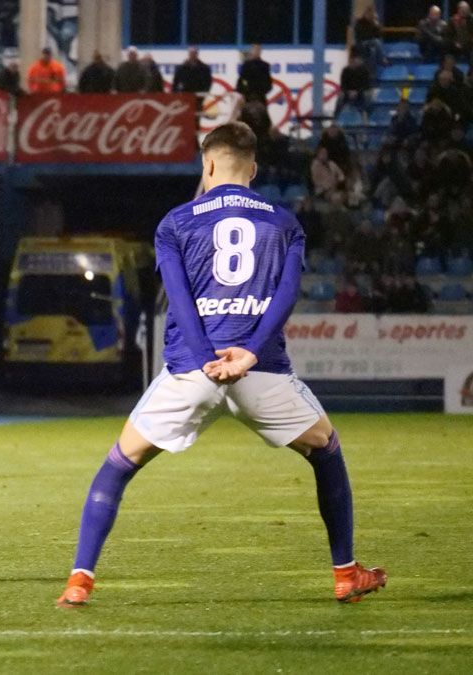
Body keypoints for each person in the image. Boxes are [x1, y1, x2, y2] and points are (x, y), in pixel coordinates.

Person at [55, 122, 386, 608]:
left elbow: (179, 301)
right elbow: (286, 295)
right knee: (326, 450)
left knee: (118, 466)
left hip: (192, 370)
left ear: (207, 165)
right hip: (261, 371)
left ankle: (78, 582)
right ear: (252, 170)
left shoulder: (175, 222)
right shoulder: (285, 222)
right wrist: (249, 352)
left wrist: (208, 359)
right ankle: (344, 573)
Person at [173, 46, 213, 112]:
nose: (193, 55)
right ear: (188, 54)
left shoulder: (204, 68)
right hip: (184, 97)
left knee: (196, 118)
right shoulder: (181, 68)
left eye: (194, 53)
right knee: (185, 117)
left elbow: (208, 83)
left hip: (198, 98)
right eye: (191, 53)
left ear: (197, 54)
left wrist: (203, 95)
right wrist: (176, 96)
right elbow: (175, 83)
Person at [337, 53, 372, 119]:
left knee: (368, 95)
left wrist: (357, 92)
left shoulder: (365, 71)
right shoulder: (345, 70)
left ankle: (367, 116)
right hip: (348, 92)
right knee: (340, 96)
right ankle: (336, 117)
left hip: (361, 91)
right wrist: (348, 92)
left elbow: (366, 85)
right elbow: (343, 85)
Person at [353, 7, 388, 71]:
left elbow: (378, 36)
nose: (370, 16)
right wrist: (371, 36)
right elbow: (361, 35)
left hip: (370, 44)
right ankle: (382, 59)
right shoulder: (359, 22)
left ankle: (372, 73)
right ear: (365, 14)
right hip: (361, 43)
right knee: (376, 42)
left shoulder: (373, 23)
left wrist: (377, 25)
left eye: (372, 15)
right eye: (369, 14)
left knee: (373, 51)